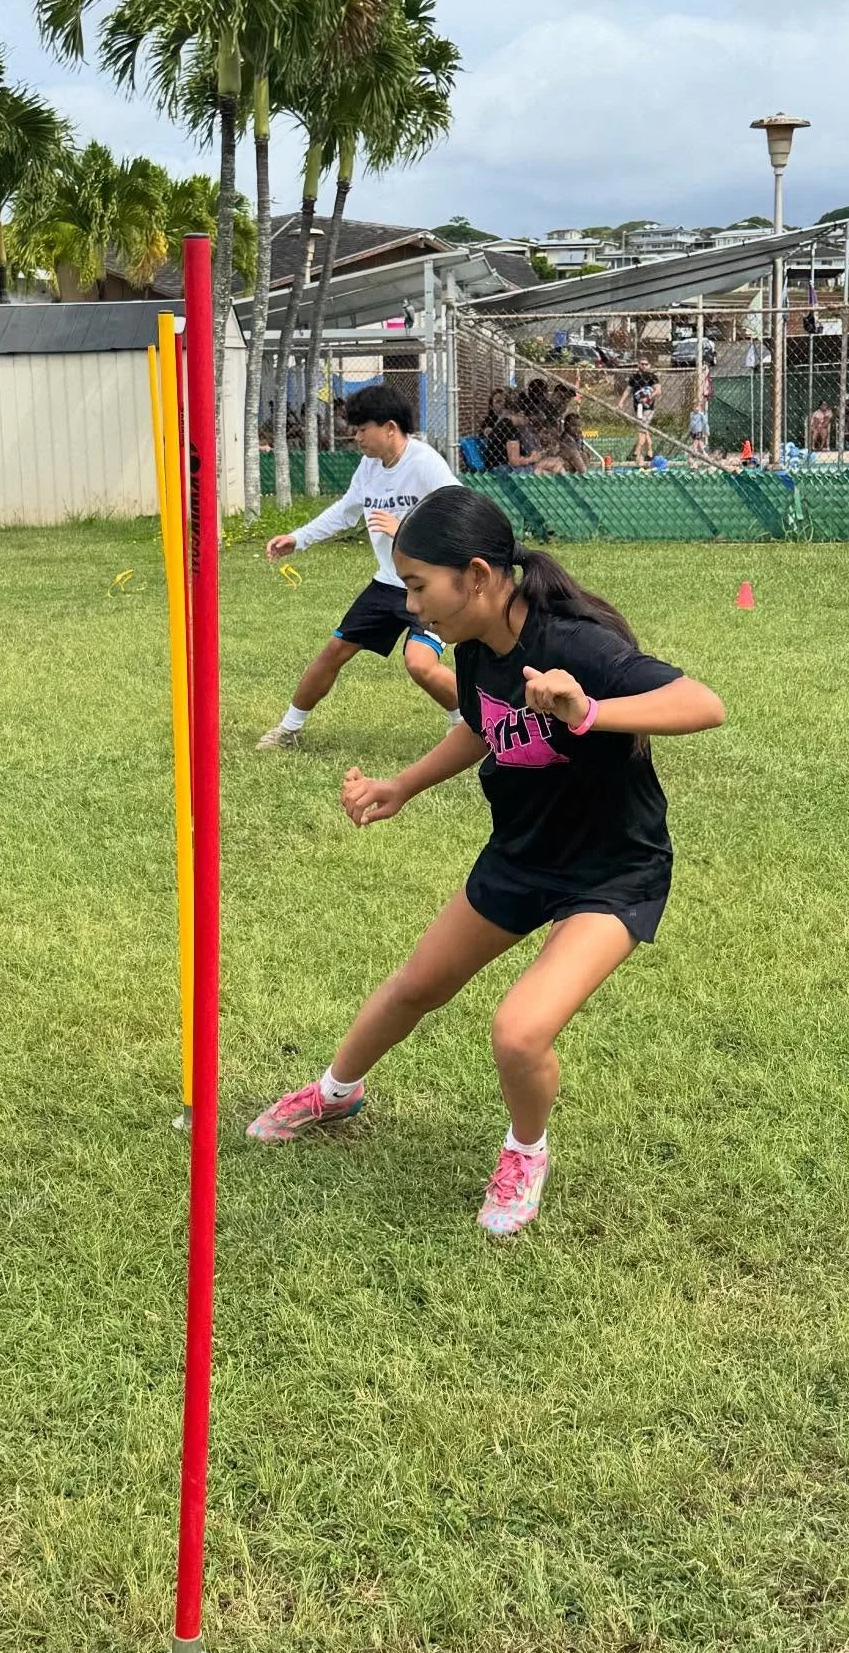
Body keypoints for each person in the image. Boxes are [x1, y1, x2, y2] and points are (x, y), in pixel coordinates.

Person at [245, 485, 726, 1235]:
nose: (411, 606)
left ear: (475, 574)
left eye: (418, 585)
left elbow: (703, 704)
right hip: (521, 854)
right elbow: (481, 726)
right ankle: (337, 1090)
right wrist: (401, 784)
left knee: (519, 1031)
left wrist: (591, 712)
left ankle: (526, 1150)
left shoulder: (573, 646)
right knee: (415, 986)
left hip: (611, 871)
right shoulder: (476, 651)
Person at [257, 384, 461, 752]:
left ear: (389, 427)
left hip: (427, 585)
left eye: (362, 428)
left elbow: (459, 514)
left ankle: (470, 723)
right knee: (334, 651)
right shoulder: (369, 467)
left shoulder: (425, 463)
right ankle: (287, 731)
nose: (356, 437)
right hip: (386, 585)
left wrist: (406, 532)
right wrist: (298, 538)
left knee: (419, 664)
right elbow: (347, 509)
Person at [621, 364, 658, 469]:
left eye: (646, 364)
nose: (644, 366)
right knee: (644, 430)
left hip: (648, 408)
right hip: (638, 408)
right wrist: (621, 402)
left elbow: (658, 390)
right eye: (642, 364)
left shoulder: (652, 376)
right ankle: (649, 453)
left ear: (649, 365)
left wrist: (649, 396)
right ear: (638, 365)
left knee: (641, 430)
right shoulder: (634, 377)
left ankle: (637, 453)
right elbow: (628, 390)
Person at [477, 390, 511, 470]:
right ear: (491, 406)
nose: (502, 404)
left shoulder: (512, 418)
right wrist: (502, 417)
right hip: (496, 460)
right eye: (498, 402)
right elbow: (490, 436)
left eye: (503, 401)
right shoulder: (489, 420)